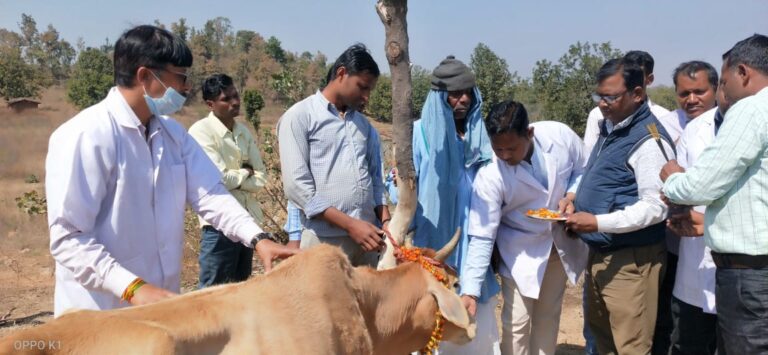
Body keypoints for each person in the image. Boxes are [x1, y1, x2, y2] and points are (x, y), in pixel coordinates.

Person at [45, 25, 296, 317]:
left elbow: (211, 195)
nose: (187, 88)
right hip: (101, 313)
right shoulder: (85, 136)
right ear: (145, 76)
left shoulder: (173, 135)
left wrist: (258, 238)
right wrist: (133, 288)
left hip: (160, 307)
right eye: (181, 77)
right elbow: (68, 238)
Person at [660, 34, 768, 354]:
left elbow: (701, 186)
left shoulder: (751, 108)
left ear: (743, 73)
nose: (725, 90)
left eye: (724, 79)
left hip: (750, 276)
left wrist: (672, 179)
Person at [565, 57, 674, 355]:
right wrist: (574, 199)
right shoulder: (610, 128)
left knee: (631, 346)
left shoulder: (648, 140)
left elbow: (656, 207)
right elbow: (595, 175)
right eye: (598, 96)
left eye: (610, 96)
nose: (602, 103)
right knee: (605, 342)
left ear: (637, 94)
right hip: (603, 255)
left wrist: (597, 223)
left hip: (631, 262)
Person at [461, 100, 588, 355]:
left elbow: (584, 168)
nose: (505, 156)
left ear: (529, 133)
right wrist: (470, 292)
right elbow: (482, 235)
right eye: (499, 150)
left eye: (512, 148)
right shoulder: (491, 174)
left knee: (548, 317)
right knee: (516, 323)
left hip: (557, 243)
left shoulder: (560, 136)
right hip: (517, 249)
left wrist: (572, 196)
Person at [410, 55, 501, 354]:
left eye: (467, 93)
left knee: (476, 324)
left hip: (476, 234)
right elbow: (409, 186)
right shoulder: (421, 133)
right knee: (431, 318)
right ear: (440, 96)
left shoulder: (482, 135)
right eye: (453, 94)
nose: (461, 99)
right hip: (436, 238)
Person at [277, 44, 390, 267]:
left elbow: (376, 180)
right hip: (323, 243)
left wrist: (385, 222)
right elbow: (297, 188)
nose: (366, 97)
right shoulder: (300, 117)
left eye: (370, 91)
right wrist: (350, 225)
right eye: (362, 87)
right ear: (341, 74)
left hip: (368, 240)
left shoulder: (365, 126)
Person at [658, 61, 720, 355]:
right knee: (686, 343)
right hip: (692, 266)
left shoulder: (748, 128)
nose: (691, 99)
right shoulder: (693, 131)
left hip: (734, 263)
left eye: (699, 91)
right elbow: (676, 189)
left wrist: (677, 181)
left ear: (718, 89)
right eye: (684, 93)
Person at [188, 74, 268, 288]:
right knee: (211, 294)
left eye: (235, 96)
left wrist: (239, 177)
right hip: (218, 228)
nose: (235, 102)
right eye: (226, 99)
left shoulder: (243, 132)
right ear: (210, 104)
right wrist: (245, 172)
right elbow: (219, 178)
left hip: (248, 222)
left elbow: (261, 176)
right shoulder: (200, 132)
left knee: (240, 290)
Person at [583, 50, 671, 155]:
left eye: (638, 75)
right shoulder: (598, 115)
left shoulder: (663, 117)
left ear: (649, 79)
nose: (632, 80)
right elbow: (589, 156)